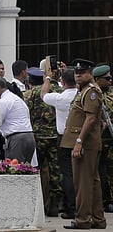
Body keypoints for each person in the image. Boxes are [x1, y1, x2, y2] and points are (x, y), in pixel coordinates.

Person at [61, 59, 107, 230]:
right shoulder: (84, 90)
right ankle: (97, 218)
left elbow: (91, 118)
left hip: (85, 143)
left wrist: (79, 141)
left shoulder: (91, 91)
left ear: (90, 73)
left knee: (83, 183)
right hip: (86, 142)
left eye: (83, 72)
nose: (79, 75)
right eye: (77, 73)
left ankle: (82, 219)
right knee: (92, 182)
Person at [41, 69, 77, 219]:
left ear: (62, 82)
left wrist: (48, 78)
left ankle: (71, 208)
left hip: (64, 137)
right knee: (84, 173)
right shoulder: (81, 95)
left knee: (67, 173)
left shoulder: (60, 98)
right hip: (81, 136)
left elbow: (43, 94)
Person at [24, 66, 60, 217]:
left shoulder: (29, 94)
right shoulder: (57, 91)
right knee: (55, 171)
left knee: (36, 169)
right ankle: (54, 205)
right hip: (55, 135)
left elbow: (26, 112)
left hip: (38, 136)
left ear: (30, 80)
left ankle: (38, 204)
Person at [0, 76, 35, 163]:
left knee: (15, 169)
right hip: (29, 135)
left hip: (17, 138)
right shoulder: (17, 99)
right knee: (26, 169)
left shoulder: (3, 102)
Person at [92, 65, 113, 213]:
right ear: (98, 80)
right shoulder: (93, 94)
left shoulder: (110, 95)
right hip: (98, 139)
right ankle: (103, 200)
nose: (110, 81)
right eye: (107, 79)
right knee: (98, 171)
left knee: (107, 170)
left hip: (109, 140)